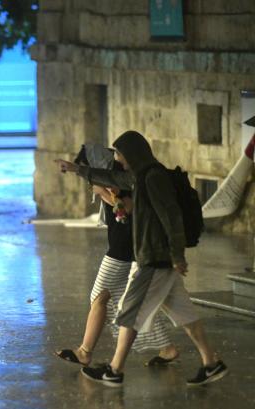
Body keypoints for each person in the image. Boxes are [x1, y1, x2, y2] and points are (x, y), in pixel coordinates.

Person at [57, 131, 227, 387]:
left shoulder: (154, 177)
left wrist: (177, 255)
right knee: (185, 314)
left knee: (129, 312)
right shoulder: (141, 175)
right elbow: (112, 177)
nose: (117, 158)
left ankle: (114, 370)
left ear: (132, 153)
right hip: (157, 259)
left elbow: (171, 216)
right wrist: (76, 169)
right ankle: (211, 363)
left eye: (119, 153)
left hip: (155, 259)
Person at [53, 144, 179, 367]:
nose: (118, 159)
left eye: (120, 155)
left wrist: (102, 192)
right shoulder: (113, 176)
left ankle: (85, 351)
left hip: (124, 249)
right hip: (127, 247)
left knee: (99, 296)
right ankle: (166, 347)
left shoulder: (122, 178)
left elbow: (128, 208)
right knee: (132, 303)